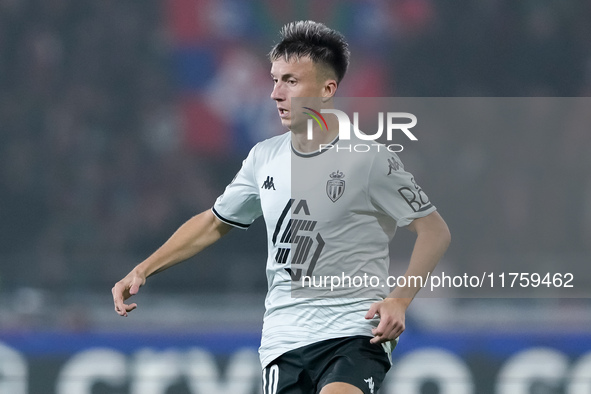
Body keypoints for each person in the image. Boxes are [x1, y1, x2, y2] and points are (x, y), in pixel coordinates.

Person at [112, 20, 451, 394]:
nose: (275, 93)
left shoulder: (369, 158)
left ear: (327, 89)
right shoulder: (263, 158)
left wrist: (399, 300)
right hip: (284, 340)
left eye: (290, 81)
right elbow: (213, 222)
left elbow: (434, 231)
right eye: (274, 79)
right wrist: (143, 269)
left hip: (355, 332)